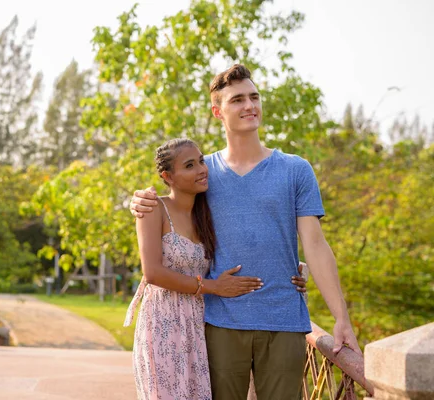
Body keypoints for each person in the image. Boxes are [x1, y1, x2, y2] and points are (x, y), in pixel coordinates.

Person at [130, 64, 360, 400]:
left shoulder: (296, 169)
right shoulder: (202, 174)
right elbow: (168, 204)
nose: (249, 105)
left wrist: (342, 318)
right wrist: (136, 200)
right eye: (237, 99)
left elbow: (315, 244)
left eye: (254, 97)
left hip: (285, 320)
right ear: (217, 112)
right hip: (221, 322)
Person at [124, 138, 308, 400]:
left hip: (200, 323)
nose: (201, 169)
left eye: (201, 160)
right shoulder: (154, 208)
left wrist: (292, 268)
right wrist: (213, 287)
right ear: (168, 176)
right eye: (189, 165)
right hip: (164, 323)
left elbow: (253, 233)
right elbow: (152, 272)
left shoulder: (206, 211)